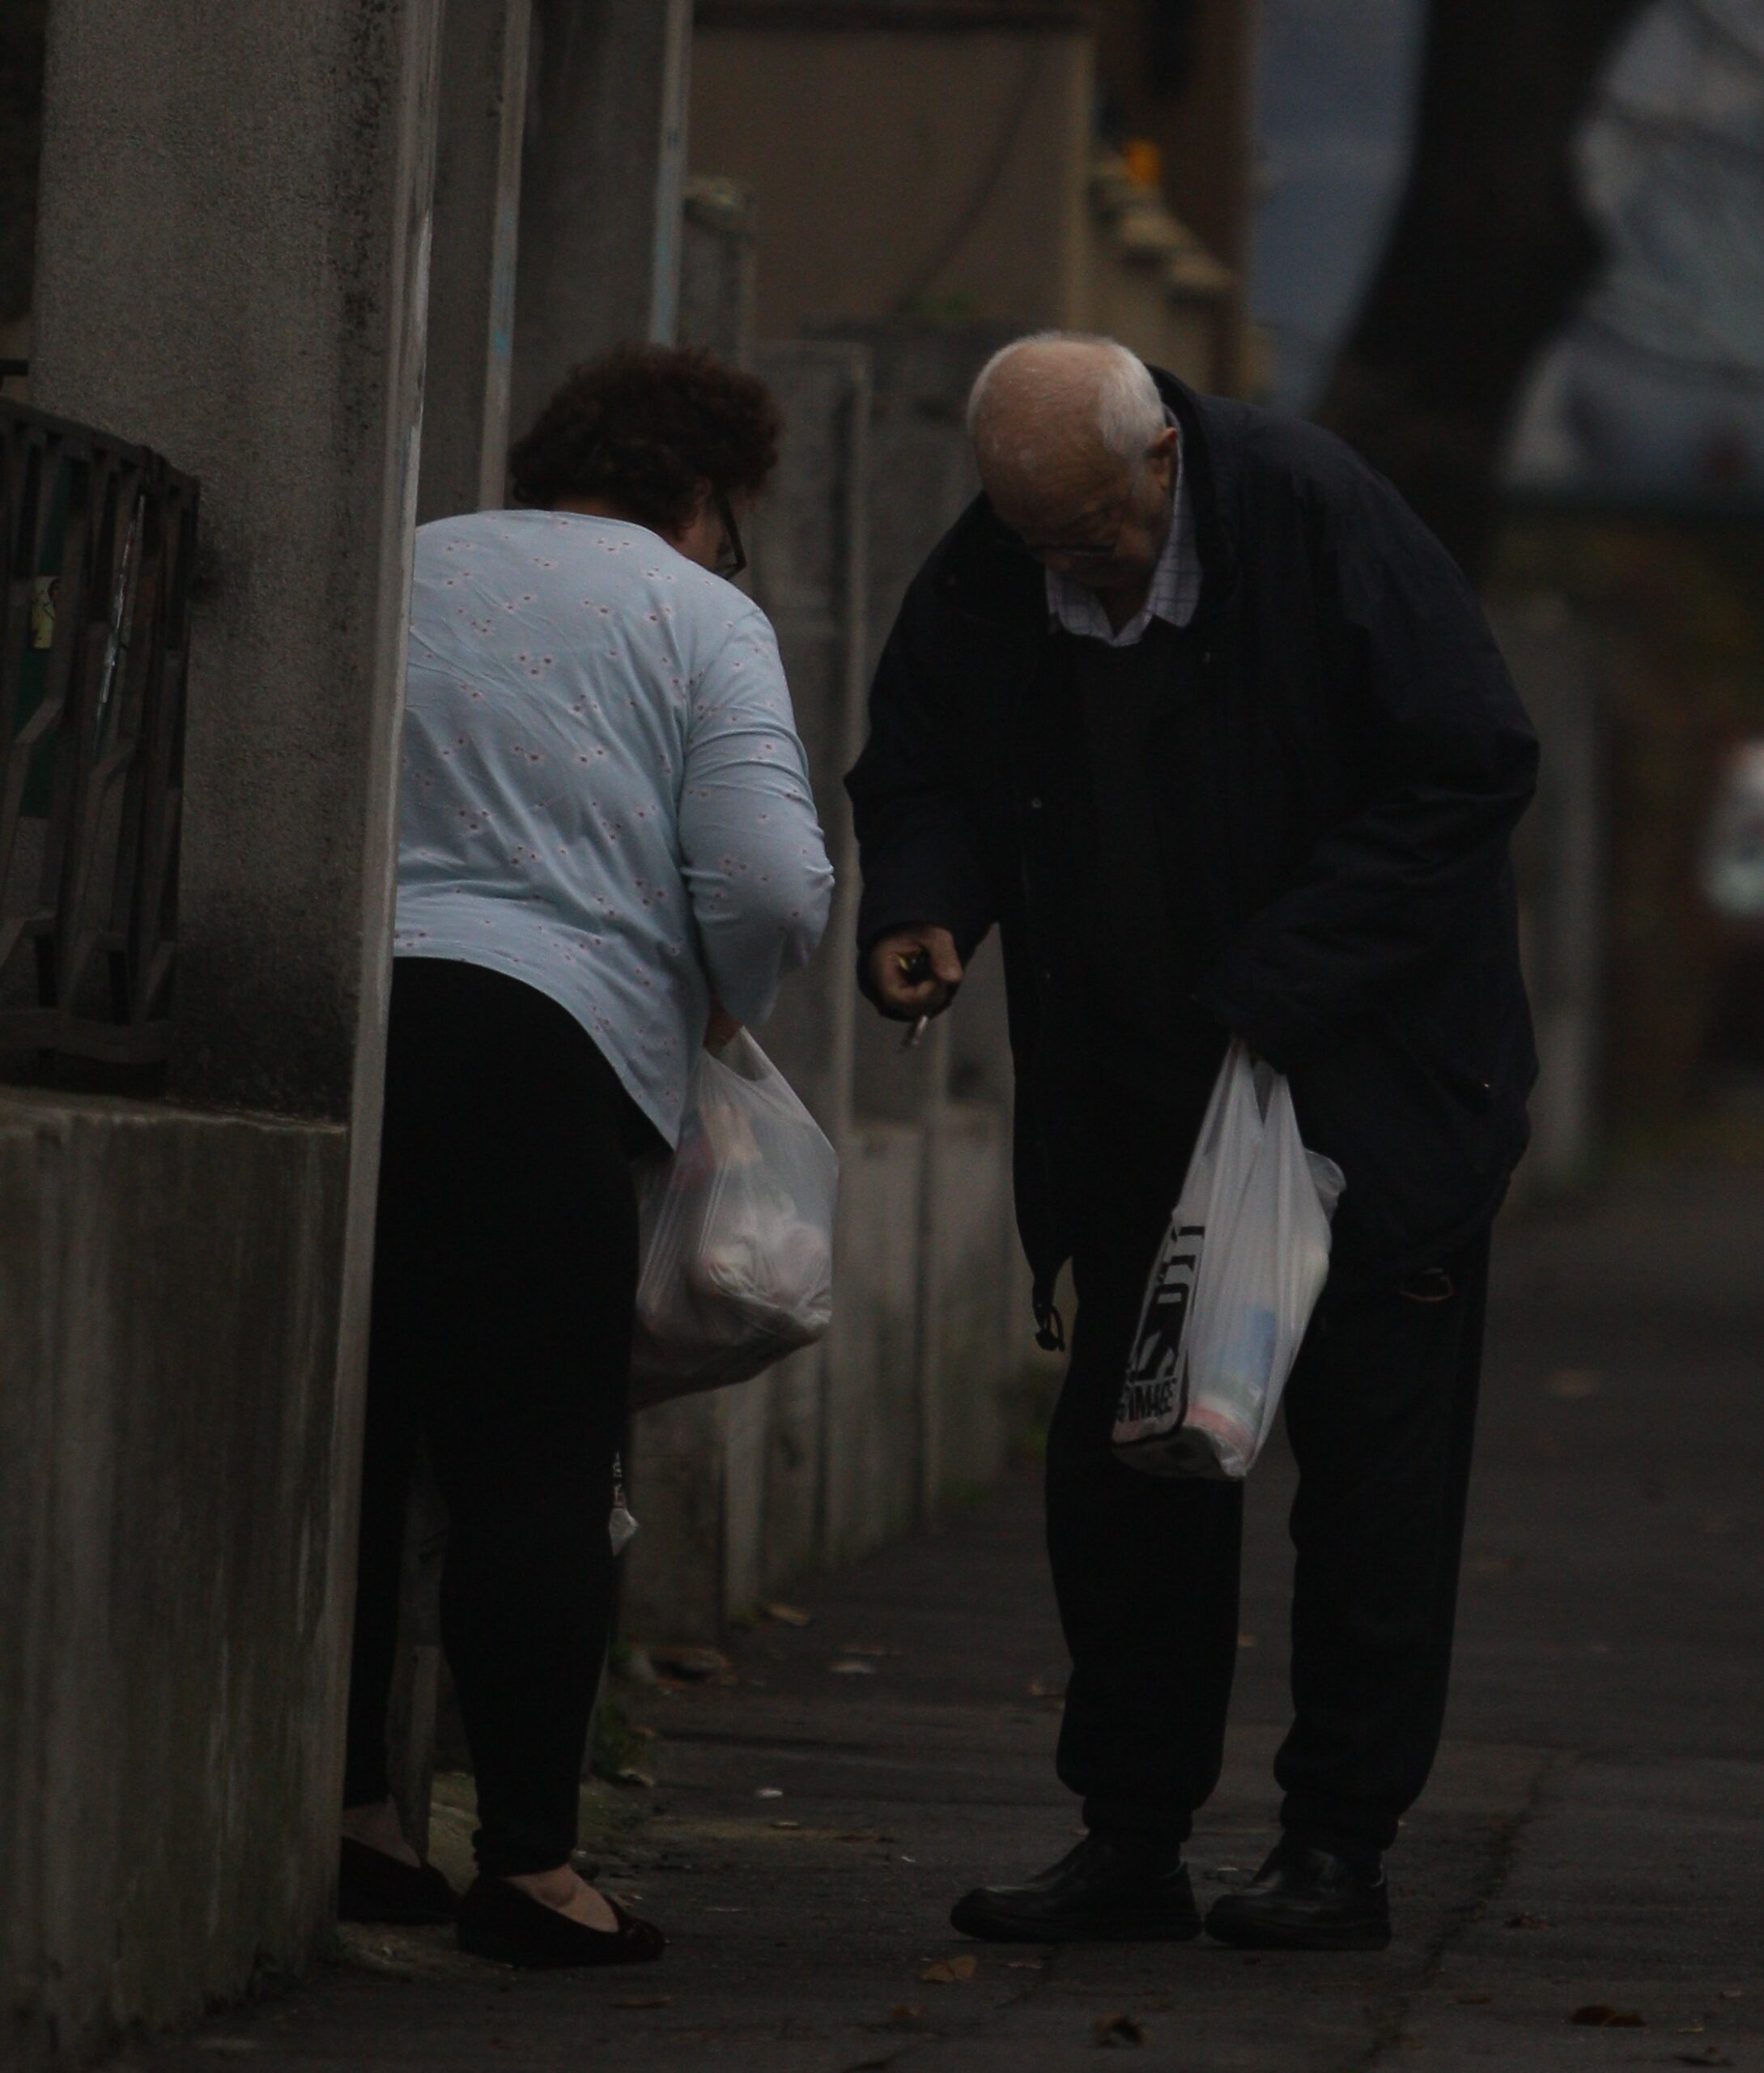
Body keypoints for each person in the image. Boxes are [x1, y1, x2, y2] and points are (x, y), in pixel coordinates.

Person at [846, 333, 1536, 1952]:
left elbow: (1469, 769)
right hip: (1138, 1101)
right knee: (1129, 1472)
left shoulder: (1312, 517)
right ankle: (1131, 1832)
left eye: (1096, 530)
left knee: (1370, 1492)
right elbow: (921, 755)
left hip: (1371, 1095)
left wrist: (1271, 984)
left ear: (1161, 452)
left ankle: (1336, 1845)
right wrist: (923, 906)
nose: (1072, 564)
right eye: (1039, 538)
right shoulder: (1001, 560)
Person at [340, 345, 834, 1967]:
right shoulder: (702, 616)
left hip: (348, 1018)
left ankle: (357, 1818)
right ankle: (533, 1865)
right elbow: (768, 879)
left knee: (360, 1431)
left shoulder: (409, 555)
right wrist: (721, 1005)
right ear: (705, 495)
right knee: (536, 1459)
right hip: (544, 1048)